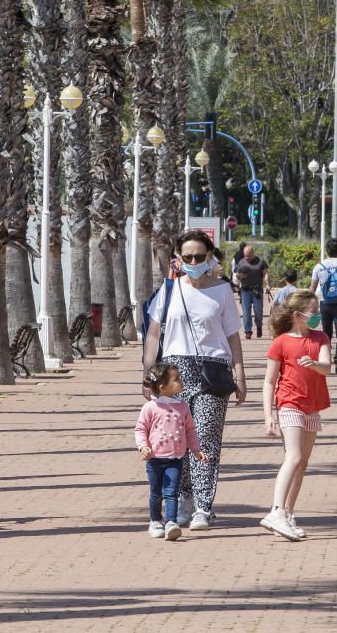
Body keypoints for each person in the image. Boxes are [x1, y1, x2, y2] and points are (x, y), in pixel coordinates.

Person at [141, 230, 246, 531]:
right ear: (178, 258)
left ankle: (203, 507)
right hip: (173, 372)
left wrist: (240, 375)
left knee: (205, 439)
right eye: (187, 257)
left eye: (200, 256)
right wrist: (149, 375)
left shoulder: (222, 290)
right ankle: (184, 501)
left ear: (210, 256)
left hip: (213, 370)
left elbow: (232, 336)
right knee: (178, 440)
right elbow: (153, 334)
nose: (194, 261)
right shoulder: (169, 290)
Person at [260, 290, 331, 541]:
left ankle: (288, 514)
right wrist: (269, 415)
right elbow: (269, 381)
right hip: (289, 403)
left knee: (302, 463)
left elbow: (327, 367)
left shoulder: (320, 338)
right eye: (313, 312)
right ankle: (276, 511)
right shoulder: (281, 342)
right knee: (294, 455)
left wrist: (314, 365)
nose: (317, 316)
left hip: (313, 406)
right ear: (297, 314)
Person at [135, 363, 207, 541]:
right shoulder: (150, 407)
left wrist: (196, 449)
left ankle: (171, 523)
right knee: (156, 492)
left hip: (176, 458)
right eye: (176, 379)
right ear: (162, 387)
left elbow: (190, 430)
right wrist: (143, 446)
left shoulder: (182, 407)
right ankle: (155, 521)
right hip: (154, 459)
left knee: (171, 491)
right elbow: (140, 429)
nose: (181, 382)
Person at [309, 238, 337, 375]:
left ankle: (326, 360)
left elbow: (312, 288)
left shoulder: (319, 266)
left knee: (326, 334)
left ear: (326, 250)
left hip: (325, 303)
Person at [235, 245, 270, 339]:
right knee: (246, 312)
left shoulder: (260, 261)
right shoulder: (241, 262)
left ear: (253, 253)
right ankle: (248, 331)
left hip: (257, 289)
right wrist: (241, 276)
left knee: (258, 311)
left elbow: (265, 273)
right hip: (245, 290)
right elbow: (237, 275)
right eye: (245, 255)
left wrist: (267, 284)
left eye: (248, 255)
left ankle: (259, 326)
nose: (247, 257)